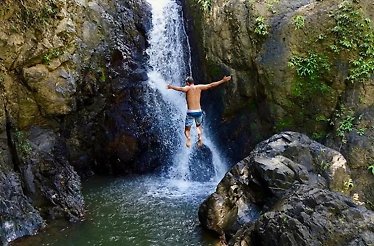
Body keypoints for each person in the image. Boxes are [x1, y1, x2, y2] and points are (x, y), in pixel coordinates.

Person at [167, 75, 232, 147]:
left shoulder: (187, 88)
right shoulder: (199, 87)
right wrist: (223, 80)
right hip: (198, 111)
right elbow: (211, 85)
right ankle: (200, 137)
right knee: (198, 126)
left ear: (188, 83)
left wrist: (171, 87)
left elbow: (180, 88)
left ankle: (188, 139)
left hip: (190, 112)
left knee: (187, 130)